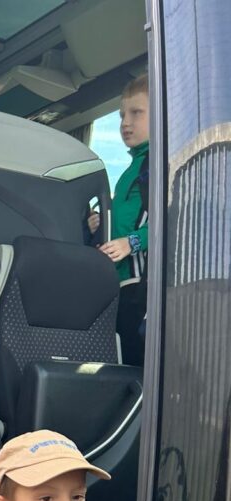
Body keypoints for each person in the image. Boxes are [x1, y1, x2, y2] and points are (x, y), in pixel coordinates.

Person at [89, 74, 149, 365]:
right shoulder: (133, 168)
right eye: (122, 115)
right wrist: (102, 222)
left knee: (136, 364)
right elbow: (130, 216)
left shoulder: (160, 163)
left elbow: (172, 221)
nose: (126, 122)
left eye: (136, 113)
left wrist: (131, 243)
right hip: (120, 283)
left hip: (143, 284)